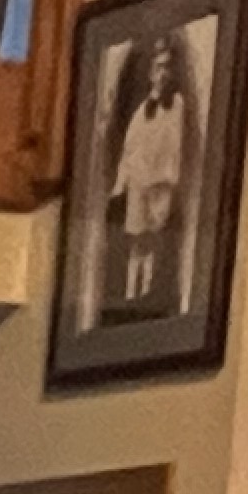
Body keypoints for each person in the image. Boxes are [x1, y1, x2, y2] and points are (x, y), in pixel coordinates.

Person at [103, 36, 194, 323]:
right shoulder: (142, 111)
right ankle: (131, 293)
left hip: (160, 181)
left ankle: (146, 292)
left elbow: (175, 145)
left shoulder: (176, 106)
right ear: (151, 73)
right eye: (157, 68)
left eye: (167, 68)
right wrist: (122, 183)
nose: (162, 74)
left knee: (154, 237)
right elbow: (131, 147)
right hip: (139, 182)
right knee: (136, 240)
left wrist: (170, 178)